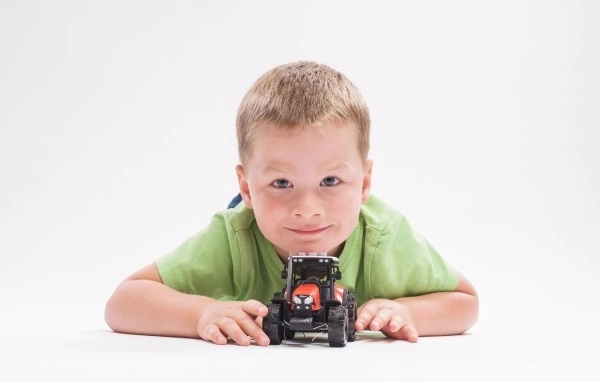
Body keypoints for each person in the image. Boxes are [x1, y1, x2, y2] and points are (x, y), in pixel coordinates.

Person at [104, 61, 479, 346]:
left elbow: (464, 301)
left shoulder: (385, 235)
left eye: (330, 181)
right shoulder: (235, 235)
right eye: (281, 183)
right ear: (247, 189)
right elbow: (123, 302)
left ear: (364, 183)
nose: (307, 208)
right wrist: (202, 312)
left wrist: (410, 312)